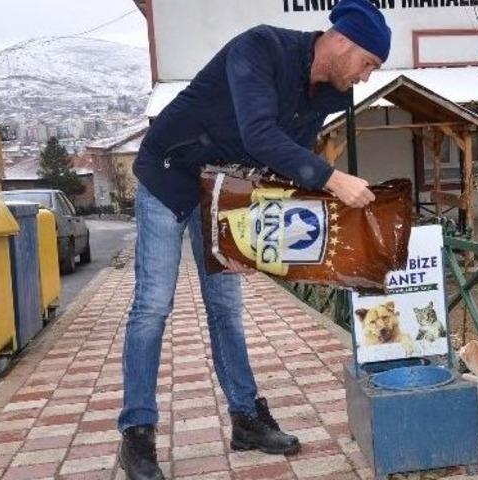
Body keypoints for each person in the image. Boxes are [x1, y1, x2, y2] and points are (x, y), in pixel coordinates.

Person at [116, 1, 392, 478]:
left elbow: (282, 162)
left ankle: (245, 419)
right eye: (368, 63)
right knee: (154, 304)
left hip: (224, 194)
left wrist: (262, 230)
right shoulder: (261, 47)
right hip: (170, 176)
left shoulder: (331, 93)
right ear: (342, 40)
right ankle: (137, 434)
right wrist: (333, 179)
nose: (367, 77)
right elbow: (261, 134)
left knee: (226, 307)